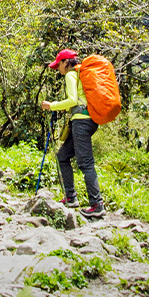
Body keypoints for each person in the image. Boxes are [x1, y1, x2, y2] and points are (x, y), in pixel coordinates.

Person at [40, 49, 104, 219]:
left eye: (58, 65)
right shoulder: (81, 73)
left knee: (85, 163)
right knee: (63, 156)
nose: (58, 69)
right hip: (89, 120)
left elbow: (72, 101)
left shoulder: (71, 75)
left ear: (66, 62)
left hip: (81, 121)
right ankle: (71, 197)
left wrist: (51, 105)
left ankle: (97, 205)